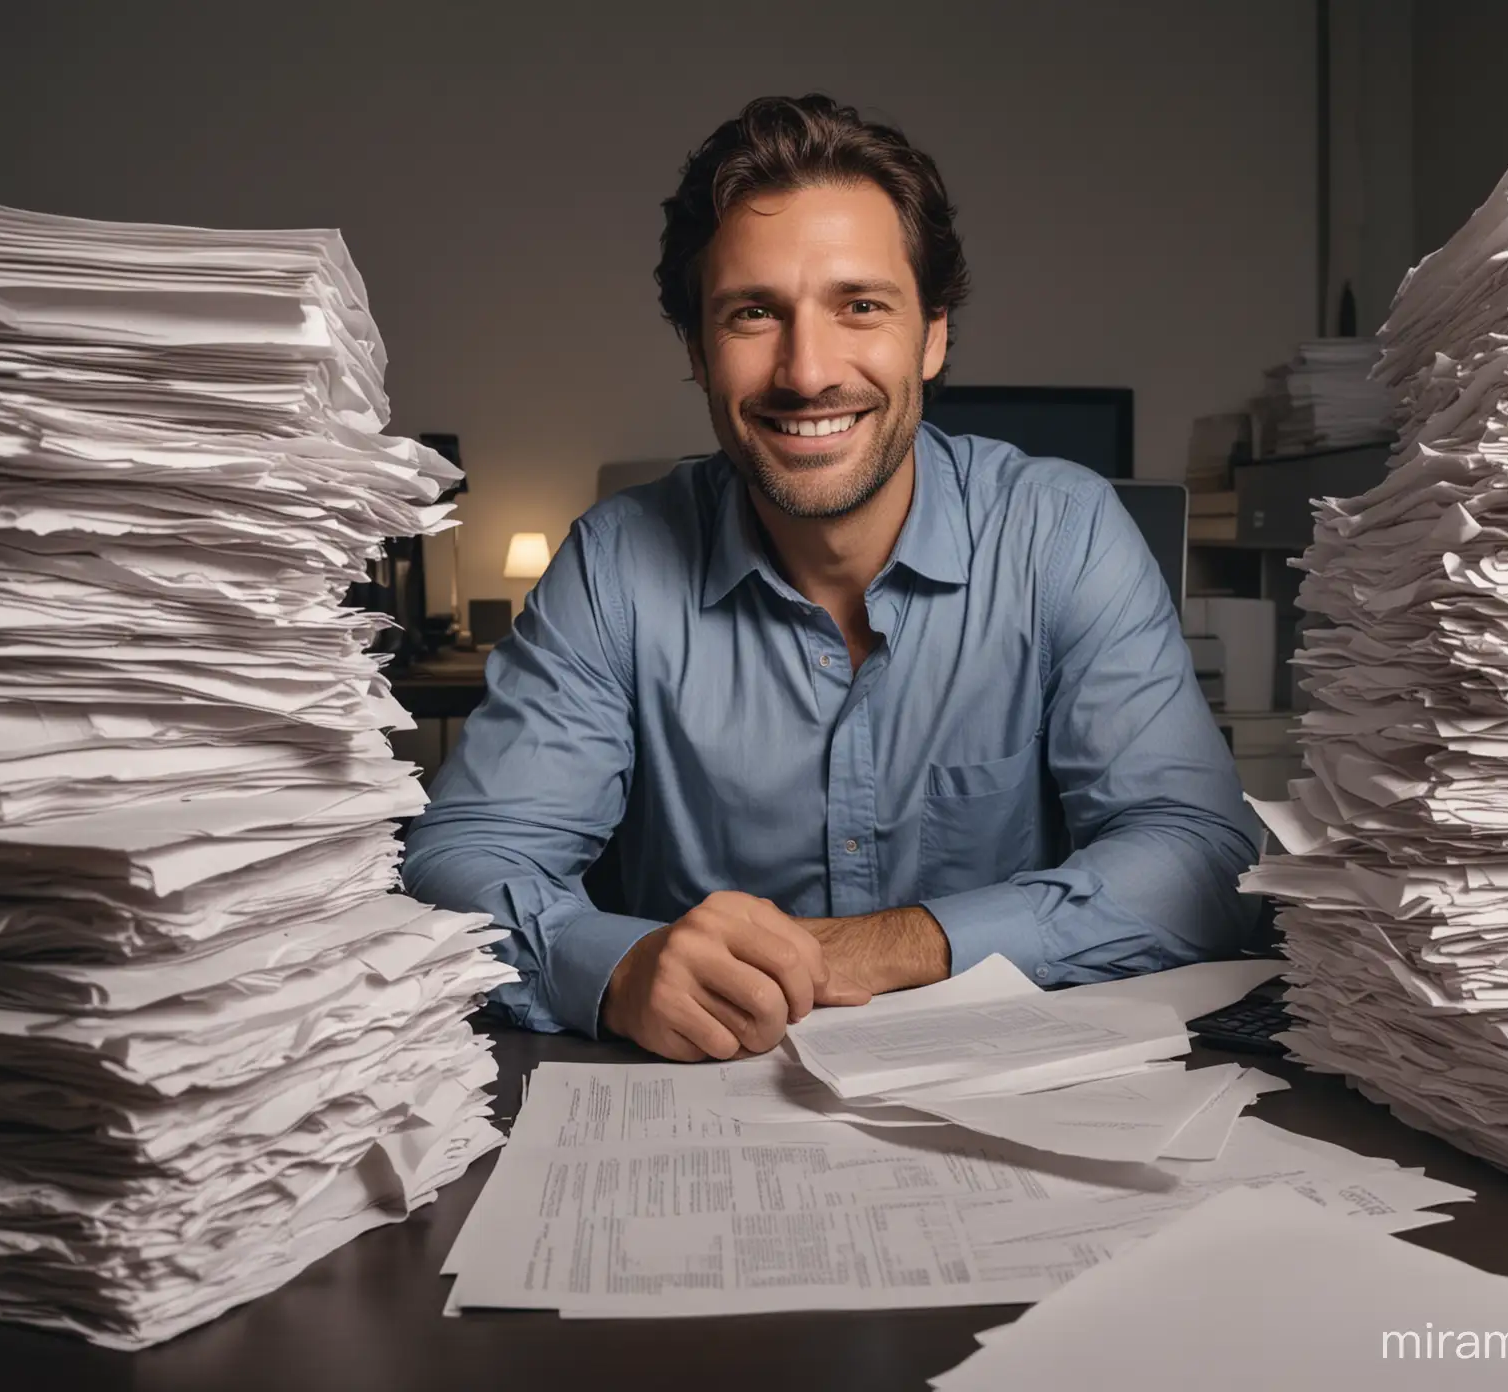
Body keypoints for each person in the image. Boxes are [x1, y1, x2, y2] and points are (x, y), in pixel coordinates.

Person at [401, 94, 1260, 1063]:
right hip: (696, 1104)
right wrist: (619, 963)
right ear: (696, 349)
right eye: (754, 313)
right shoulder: (614, 563)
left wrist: (887, 947)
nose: (807, 372)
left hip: (1009, 1090)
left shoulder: (1061, 530)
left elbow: (1200, 858)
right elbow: (460, 860)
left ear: (932, 336)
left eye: (861, 306)